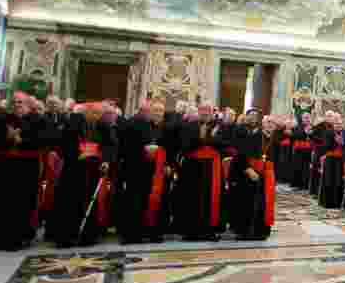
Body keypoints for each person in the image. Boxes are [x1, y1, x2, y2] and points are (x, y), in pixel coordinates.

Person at [0, 92, 45, 250]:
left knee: (20, 203)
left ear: (28, 105)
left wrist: (22, 140)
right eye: (14, 102)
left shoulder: (38, 120)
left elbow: (43, 141)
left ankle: (16, 238)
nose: (17, 105)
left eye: (21, 102)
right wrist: (7, 138)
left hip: (26, 167)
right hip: (2, 166)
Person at [52, 102, 117, 247]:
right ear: (87, 112)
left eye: (100, 114)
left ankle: (88, 236)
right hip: (73, 170)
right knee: (69, 203)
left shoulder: (103, 126)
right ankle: (66, 236)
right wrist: (77, 154)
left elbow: (111, 145)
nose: (97, 117)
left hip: (93, 170)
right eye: (95, 113)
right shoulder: (73, 124)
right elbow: (62, 144)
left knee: (89, 202)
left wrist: (106, 160)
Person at [119, 101, 174, 244]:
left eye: (161, 111)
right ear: (149, 112)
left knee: (159, 202)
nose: (158, 113)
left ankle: (155, 233)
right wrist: (143, 149)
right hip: (139, 171)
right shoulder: (136, 126)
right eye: (155, 110)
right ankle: (133, 234)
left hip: (159, 171)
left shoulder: (168, 129)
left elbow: (173, 150)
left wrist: (169, 165)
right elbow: (127, 147)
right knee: (136, 201)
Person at [175, 104, 223, 241]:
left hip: (212, 168)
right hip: (193, 168)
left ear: (212, 112)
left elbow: (225, 144)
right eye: (203, 110)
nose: (205, 113)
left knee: (210, 198)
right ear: (198, 112)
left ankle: (209, 230)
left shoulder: (218, 127)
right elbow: (185, 146)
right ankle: (191, 231)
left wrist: (211, 139)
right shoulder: (189, 126)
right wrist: (200, 138)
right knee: (191, 198)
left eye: (208, 110)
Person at [228, 109, 274, 240]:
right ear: (246, 117)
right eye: (251, 115)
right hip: (242, 170)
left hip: (258, 171)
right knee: (242, 202)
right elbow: (238, 152)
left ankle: (257, 231)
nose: (253, 118)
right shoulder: (238, 130)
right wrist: (247, 169)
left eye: (256, 116)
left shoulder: (260, 133)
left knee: (257, 202)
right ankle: (243, 231)